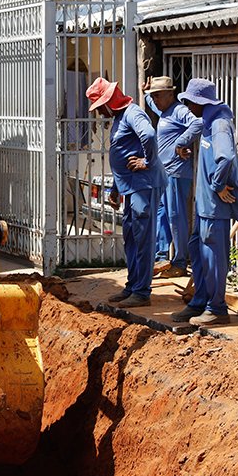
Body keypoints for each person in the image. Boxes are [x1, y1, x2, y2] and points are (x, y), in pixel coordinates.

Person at [171, 78, 238, 326]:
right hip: (203, 206)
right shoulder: (206, 121)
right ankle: (199, 301)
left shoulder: (219, 124)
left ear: (199, 102)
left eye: (189, 102)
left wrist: (217, 185)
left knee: (214, 258)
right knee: (198, 251)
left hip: (214, 208)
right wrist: (181, 145)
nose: (187, 106)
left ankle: (217, 308)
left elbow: (225, 157)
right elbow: (198, 137)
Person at [86, 76, 165, 308]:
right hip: (131, 187)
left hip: (144, 185)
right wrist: (115, 188)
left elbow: (149, 136)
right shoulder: (121, 118)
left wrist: (148, 162)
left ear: (109, 102)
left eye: (100, 108)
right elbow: (122, 154)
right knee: (131, 237)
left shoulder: (133, 113)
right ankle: (133, 286)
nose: (100, 113)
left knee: (143, 239)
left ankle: (142, 292)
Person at [144, 76, 201, 278]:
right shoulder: (164, 110)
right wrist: (146, 93)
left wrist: (181, 143)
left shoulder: (179, 110)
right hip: (164, 171)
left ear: (170, 94)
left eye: (158, 95)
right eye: (154, 96)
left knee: (176, 217)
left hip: (177, 172)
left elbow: (198, 123)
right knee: (162, 215)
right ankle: (161, 258)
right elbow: (152, 103)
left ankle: (179, 262)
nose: (155, 99)